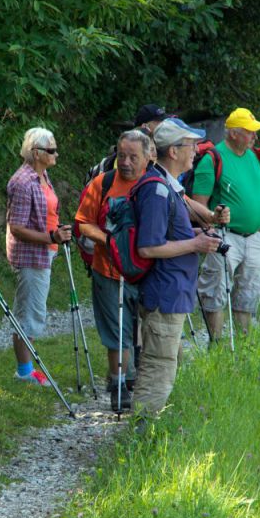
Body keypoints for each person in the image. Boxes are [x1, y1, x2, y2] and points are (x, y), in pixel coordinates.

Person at [132, 119, 221, 422]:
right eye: (191, 144)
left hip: (172, 293)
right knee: (158, 368)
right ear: (173, 151)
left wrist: (203, 230)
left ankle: (156, 432)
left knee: (168, 364)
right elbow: (148, 247)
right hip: (164, 294)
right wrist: (195, 244)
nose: (197, 150)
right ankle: (142, 438)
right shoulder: (156, 191)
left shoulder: (169, 186)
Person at [76, 130, 155, 412]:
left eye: (133, 156)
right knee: (117, 331)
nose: (126, 162)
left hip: (147, 270)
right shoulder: (103, 182)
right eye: (121, 155)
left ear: (148, 157)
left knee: (147, 328)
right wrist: (108, 240)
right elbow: (82, 223)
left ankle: (141, 380)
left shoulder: (154, 184)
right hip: (108, 269)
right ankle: (119, 384)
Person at [191, 107, 260, 339]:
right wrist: (211, 228)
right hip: (226, 237)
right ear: (233, 133)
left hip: (254, 237)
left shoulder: (254, 157)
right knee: (215, 290)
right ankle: (217, 343)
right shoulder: (212, 159)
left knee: (248, 292)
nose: (254, 136)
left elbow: (259, 194)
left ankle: (244, 342)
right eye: (249, 132)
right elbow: (197, 205)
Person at [5, 127, 71, 385]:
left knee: (34, 310)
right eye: (51, 149)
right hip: (31, 256)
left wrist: (56, 233)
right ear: (36, 153)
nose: (56, 153)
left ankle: (27, 368)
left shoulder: (41, 176)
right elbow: (17, 227)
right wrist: (51, 238)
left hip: (45, 252)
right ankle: (23, 372)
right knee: (28, 313)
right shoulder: (22, 182)